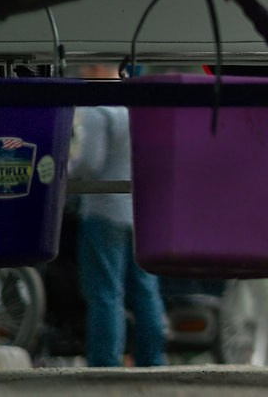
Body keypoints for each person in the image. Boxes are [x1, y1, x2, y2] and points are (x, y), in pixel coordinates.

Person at [67, 75, 166, 369]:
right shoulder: (142, 107)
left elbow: (90, 163)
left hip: (105, 211)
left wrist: (64, 169)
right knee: (146, 290)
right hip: (142, 214)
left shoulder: (100, 110)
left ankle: (105, 363)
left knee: (105, 293)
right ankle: (152, 361)